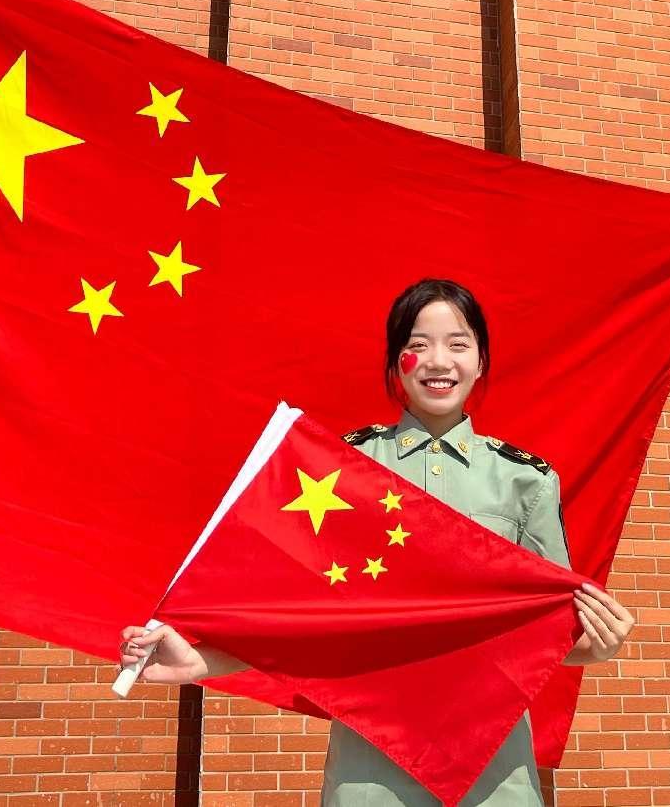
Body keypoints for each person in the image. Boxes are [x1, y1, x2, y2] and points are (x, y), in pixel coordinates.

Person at [118, 279, 636, 806]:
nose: (438, 361)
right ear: (396, 364)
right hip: (370, 767)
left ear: (481, 361)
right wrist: (199, 661)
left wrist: (600, 644)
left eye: (458, 345)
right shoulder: (344, 469)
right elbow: (294, 617)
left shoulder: (525, 481)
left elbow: (554, 636)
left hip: (494, 771)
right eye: (417, 345)